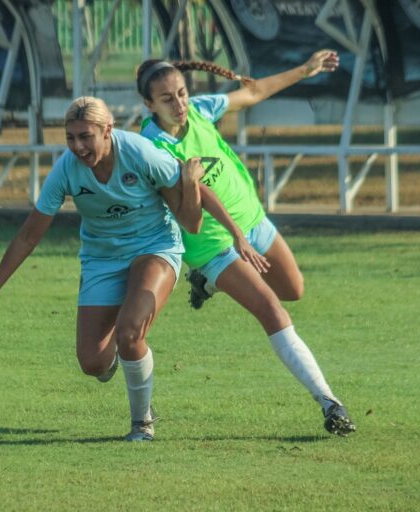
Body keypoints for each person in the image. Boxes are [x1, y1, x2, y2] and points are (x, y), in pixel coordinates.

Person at [0, 96, 259, 442]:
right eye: (70, 137)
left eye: (86, 136)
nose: (78, 147)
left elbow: (196, 192)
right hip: (101, 258)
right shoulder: (66, 170)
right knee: (93, 363)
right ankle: (121, 354)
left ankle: (142, 423)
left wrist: (237, 235)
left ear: (108, 130)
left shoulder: (140, 152)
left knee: (130, 332)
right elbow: (27, 237)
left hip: (154, 247)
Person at [135, 50, 356, 436]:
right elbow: (195, 207)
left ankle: (207, 285)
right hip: (213, 244)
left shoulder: (199, 110)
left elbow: (253, 93)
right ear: (148, 104)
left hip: (252, 221)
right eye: (167, 99)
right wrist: (223, 223)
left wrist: (305, 70)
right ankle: (330, 403)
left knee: (294, 290)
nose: (179, 104)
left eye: (182, 93)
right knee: (271, 310)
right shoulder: (153, 148)